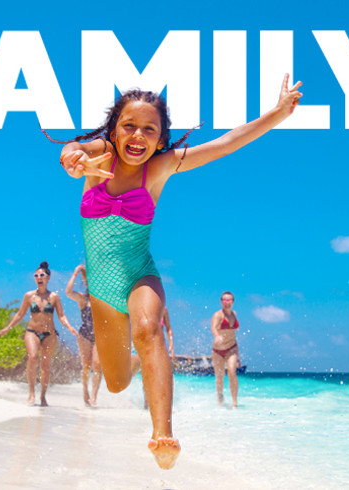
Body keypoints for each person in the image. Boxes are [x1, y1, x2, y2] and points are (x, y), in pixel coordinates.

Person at [54, 74, 302, 468]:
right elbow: (73, 150)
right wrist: (72, 158)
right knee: (116, 383)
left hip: (140, 275)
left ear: (161, 136)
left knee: (147, 328)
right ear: (115, 130)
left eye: (149, 129)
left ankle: (162, 433)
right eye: (129, 126)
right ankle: (139, 365)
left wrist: (277, 113)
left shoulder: (160, 167)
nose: (138, 135)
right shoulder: (101, 154)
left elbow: (225, 143)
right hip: (101, 289)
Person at [0, 261, 79, 407]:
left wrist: (70, 327)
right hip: (32, 332)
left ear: (48, 278)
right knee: (33, 357)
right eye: (36, 275)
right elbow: (20, 314)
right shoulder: (29, 296)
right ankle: (31, 393)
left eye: (42, 275)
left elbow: (61, 316)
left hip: (49, 335)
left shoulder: (54, 297)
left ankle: (43, 396)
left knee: (45, 367)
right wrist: (7, 327)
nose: (38, 277)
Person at [65, 264, 103, 407]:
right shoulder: (83, 299)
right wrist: (75, 273)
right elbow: (68, 292)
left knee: (98, 365)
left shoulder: (104, 301)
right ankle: (85, 390)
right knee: (86, 366)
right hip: (85, 335)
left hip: (100, 337)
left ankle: (94, 397)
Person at [210, 291, 241, 408]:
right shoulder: (218, 315)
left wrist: (238, 356)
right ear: (221, 302)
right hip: (218, 351)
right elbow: (213, 328)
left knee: (232, 371)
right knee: (219, 376)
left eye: (229, 300)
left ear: (233, 302)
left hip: (232, 349)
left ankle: (234, 403)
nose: (227, 303)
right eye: (224, 300)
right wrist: (217, 336)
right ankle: (220, 396)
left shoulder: (234, 314)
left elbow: (233, 333)